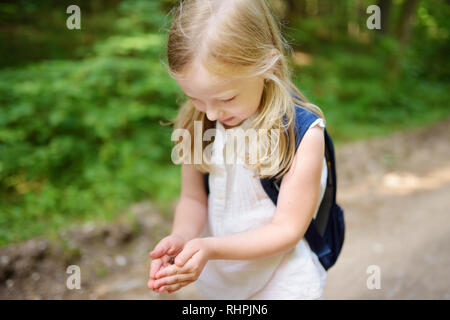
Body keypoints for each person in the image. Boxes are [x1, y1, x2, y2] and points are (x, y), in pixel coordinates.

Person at [148, 0, 328, 300]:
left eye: (227, 98)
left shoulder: (301, 135)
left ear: (267, 66)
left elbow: (287, 230)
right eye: (194, 97)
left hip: (285, 279)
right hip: (224, 282)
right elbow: (193, 199)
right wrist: (182, 238)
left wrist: (211, 248)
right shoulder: (198, 124)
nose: (212, 114)